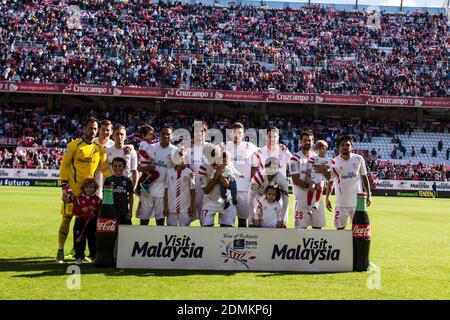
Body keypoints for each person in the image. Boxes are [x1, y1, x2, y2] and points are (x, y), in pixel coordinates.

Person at [57, 117, 111, 263]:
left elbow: (105, 169)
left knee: (87, 224)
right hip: (73, 193)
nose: (93, 131)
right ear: (84, 129)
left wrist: (113, 181)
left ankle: (82, 253)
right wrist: (64, 188)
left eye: (95, 128)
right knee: (66, 219)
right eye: (90, 128)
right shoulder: (74, 145)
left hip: (89, 194)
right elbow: (64, 166)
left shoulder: (99, 149)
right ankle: (60, 250)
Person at [325, 135, 372, 230]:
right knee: (340, 230)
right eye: (342, 145)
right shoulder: (333, 162)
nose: (345, 147)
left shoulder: (359, 159)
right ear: (339, 147)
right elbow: (330, 182)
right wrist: (327, 197)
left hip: (357, 203)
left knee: (358, 230)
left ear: (352, 147)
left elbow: (364, 177)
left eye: (347, 145)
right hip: (341, 203)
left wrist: (369, 195)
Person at [136, 125, 177, 226]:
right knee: (144, 218)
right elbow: (138, 167)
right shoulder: (151, 147)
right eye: (163, 133)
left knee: (160, 220)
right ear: (159, 134)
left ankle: (158, 240)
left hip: (163, 191)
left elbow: (178, 170)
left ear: (172, 136)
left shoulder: (175, 151)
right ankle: (143, 240)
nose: (166, 136)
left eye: (168, 134)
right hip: (147, 189)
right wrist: (146, 169)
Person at [289, 130, 330, 230]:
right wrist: (313, 186)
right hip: (302, 199)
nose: (307, 142)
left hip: (316, 199)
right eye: (305, 140)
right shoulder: (295, 159)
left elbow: (329, 177)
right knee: (301, 230)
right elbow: (296, 181)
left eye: (310, 140)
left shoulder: (320, 157)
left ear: (313, 142)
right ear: (300, 141)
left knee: (317, 228)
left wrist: (324, 171)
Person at [220, 122, 259, 227]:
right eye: (234, 133)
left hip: (244, 190)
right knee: (226, 222)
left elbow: (264, 154)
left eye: (239, 133)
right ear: (230, 134)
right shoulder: (223, 146)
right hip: (227, 189)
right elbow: (209, 152)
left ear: (243, 134)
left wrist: (281, 146)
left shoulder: (250, 147)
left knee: (242, 221)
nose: (237, 135)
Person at [198, 145, 236, 227]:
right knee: (206, 228)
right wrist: (218, 174)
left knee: (227, 230)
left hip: (227, 201)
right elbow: (206, 190)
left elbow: (229, 185)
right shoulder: (203, 167)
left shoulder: (228, 164)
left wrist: (217, 177)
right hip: (209, 202)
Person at [248, 157, 289, 227]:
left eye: (274, 167)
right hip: (258, 197)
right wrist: (253, 215)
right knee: (253, 224)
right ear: (265, 167)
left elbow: (285, 199)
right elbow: (251, 196)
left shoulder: (281, 179)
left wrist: (281, 218)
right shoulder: (258, 177)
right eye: (270, 167)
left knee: (282, 225)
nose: (272, 170)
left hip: (275, 199)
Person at [164, 148, 196, 226]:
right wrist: (166, 206)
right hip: (171, 207)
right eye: (177, 157)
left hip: (185, 208)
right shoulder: (169, 172)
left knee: (184, 230)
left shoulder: (189, 172)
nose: (180, 159)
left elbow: (193, 191)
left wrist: (192, 206)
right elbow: (166, 190)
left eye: (182, 157)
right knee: (171, 230)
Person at [72, 178, 101, 265]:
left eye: (91, 187)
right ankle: (79, 257)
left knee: (93, 240)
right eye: (87, 187)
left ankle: (93, 257)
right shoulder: (79, 199)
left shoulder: (97, 199)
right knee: (79, 240)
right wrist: (82, 210)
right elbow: (74, 211)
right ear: (83, 188)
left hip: (92, 222)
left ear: (95, 188)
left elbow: (100, 211)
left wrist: (95, 210)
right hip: (80, 222)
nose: (89, 189)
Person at [106, 124, 138, 190]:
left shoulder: (131, 151)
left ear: (125, 136)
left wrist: (133, 189)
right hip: (110, 187)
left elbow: (134, 171)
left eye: (122, 134)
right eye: (117, 134)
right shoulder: (107, 150)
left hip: (125, 187)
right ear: (113, 136)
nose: (119, 136)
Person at [104, 157, 134, 225]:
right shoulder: (108, 180)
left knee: (126, 233)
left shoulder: (127, 180)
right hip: (111, 213)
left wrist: (130, 211)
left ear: (124, 167)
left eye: (120, 166)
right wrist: (106, 211)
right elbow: (105, 198)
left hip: (124, 213)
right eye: (115, 166)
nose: (117, 168)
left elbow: (131, 196)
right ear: (112, 166)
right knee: (112, 234)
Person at [305, 140, 332, 214]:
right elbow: (309, 168)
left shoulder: (328, 159)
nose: (321, 150)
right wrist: (307, 177)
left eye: (323, 148)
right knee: (311, 187)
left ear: (326, 149)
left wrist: (326, 169)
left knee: (320, 187)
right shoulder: (313, 158)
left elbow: (330, 168)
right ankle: (308, 206)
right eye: (319, 149)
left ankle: (317, 203)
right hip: (314, 176)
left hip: (321, 177)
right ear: (316, 150)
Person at [135, 124, 158, 196]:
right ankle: (146, 184)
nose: (152, 136)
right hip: (146, 162)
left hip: (147, 162)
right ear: (143, 135)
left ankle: (138, 188)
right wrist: (149, 158)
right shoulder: (143, 143)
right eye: (150, 134)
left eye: (152, 134)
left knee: (144, 176)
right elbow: (141, 152)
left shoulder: (149, 143)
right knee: (156, 174)